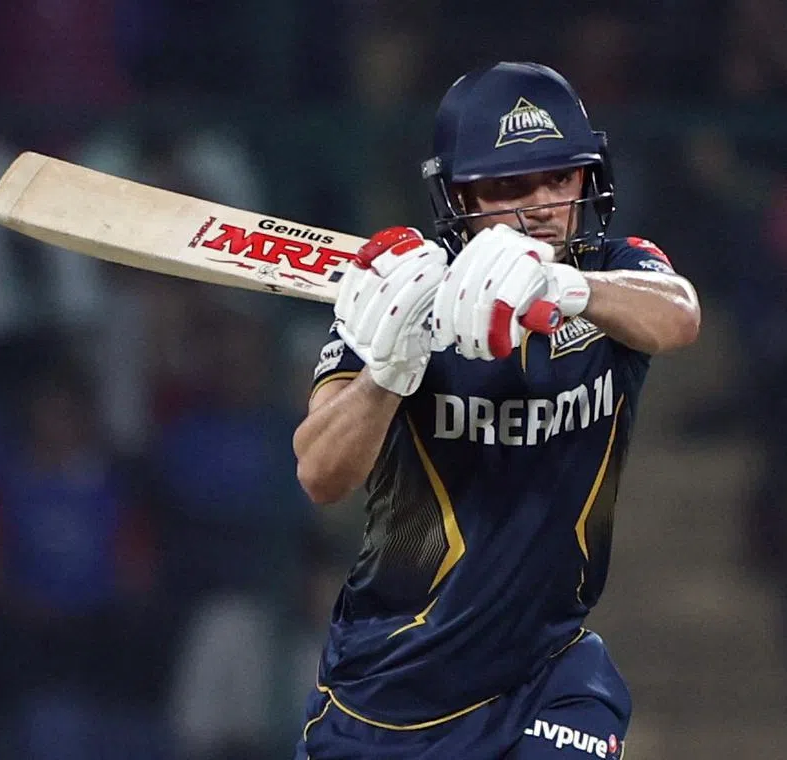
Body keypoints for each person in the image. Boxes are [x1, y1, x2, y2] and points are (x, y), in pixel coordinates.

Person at [292, 61, 701, 759]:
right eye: (509, 186)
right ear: (458, 195)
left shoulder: (612, 273)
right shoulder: (400, 297)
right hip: (385, 691)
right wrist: (389, 372)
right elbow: (320, 474)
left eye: (560, 177)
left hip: (547, 673)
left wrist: (564, 287)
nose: (541, 205)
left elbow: (681, 314)